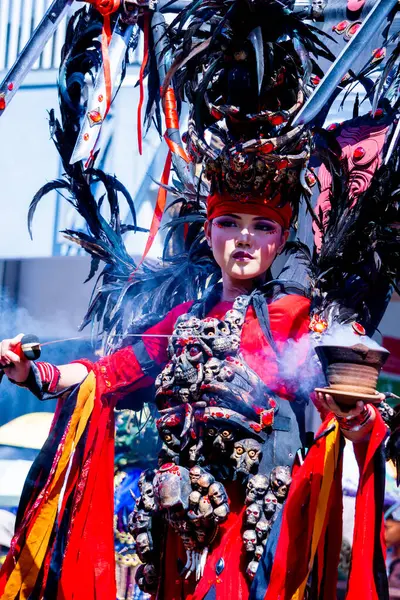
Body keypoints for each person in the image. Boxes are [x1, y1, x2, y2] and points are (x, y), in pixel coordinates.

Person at [0, 0, 399, 598]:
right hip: (173, 540)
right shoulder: (183, 317)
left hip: (256, 542)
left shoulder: (297, 318)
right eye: (230, 223)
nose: (244, 238)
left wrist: (355, 415)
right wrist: (36, 369)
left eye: (262, 226)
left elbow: (345, 405)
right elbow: (105, 376)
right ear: (207, 230)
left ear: (281, 235)